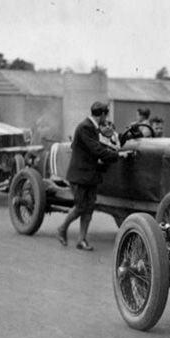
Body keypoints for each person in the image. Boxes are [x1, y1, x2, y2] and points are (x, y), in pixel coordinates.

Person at [56, 101, 126, 251]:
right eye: (105, 115)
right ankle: (62, 228)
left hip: (90, 175)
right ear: (101, 114)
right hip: (80, 175)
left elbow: (99, 147)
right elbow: (97, 150)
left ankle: (82, 240)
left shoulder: (91, 127)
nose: (106, 119)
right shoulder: (85, 127)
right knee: (80, 207)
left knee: (89, 209)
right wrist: (118, 155)